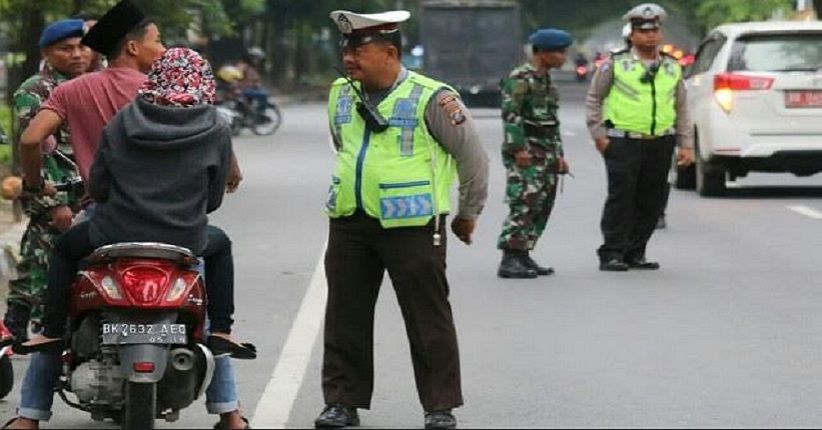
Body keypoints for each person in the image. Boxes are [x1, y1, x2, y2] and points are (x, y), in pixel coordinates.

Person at [5, 2, 250, 429]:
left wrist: (33, 184)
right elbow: (218, 187)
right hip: (183, 233)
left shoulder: (83, 97)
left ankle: (29, 414)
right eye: (157, 40)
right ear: (134, 47)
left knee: (60, 306)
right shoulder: (201, 115)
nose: (161, 48)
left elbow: (36, 143)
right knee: (206, 313)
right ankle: (230, 412)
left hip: (108, 221)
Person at [316, 9, 489, 430]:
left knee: (427, 317)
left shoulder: (432, 97)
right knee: (344, 315)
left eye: (359, 49)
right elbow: (342, 145)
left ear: (389, 52)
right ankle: (341, 403)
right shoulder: (341, 92)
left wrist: (468, 214)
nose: (349, 57)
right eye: (346, 49)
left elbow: (473, 159)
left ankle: (439, 406)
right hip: (350, 221)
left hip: (413, 226)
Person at [585, 3, 694, 272]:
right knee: (622, 197)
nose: (650, 35)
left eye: (654, 30)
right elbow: (594, 98)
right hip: (623, 140)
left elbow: (681, 106)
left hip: (661, 141)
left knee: (653, 198)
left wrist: (686, 144)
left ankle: (636, 251)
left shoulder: (671, 67)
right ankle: (612, 252)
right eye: (643, 31)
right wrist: (598, 134)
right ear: (632, 34)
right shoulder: (615, 63)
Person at [3, 19, 89, 342]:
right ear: (47, 53)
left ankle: (19, 329)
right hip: (53, 194)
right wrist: (54, 205)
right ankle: (32, 336)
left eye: (81, 47)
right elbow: (35, 149)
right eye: (66, 49)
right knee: (44, 269)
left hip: (86, 195)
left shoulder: (88, 83)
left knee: (43, 266)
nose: (77, 54)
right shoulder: (35, 90)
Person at [496, 28, 572, 279]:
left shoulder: (545, 80)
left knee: (541, 203)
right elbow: (511, 114)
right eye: (559, 52)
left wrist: (559, 155)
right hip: (527, 152)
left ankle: (524, 252)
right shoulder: (521, 78)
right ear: (541, 53)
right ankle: (510, 256)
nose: (563, 56)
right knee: (524, 202)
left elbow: (552, 121)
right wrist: (518, 149)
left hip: (546, 152)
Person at [235, 47, 269, 118]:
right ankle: (260, 114)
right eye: (256, 58)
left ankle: (248, 115)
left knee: (262, 92)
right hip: (243, 89)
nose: (257, 60)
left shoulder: (251, 67)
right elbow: (238, 77)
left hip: (248, 88)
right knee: (264, 94)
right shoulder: (244, 65)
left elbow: (254, 79)